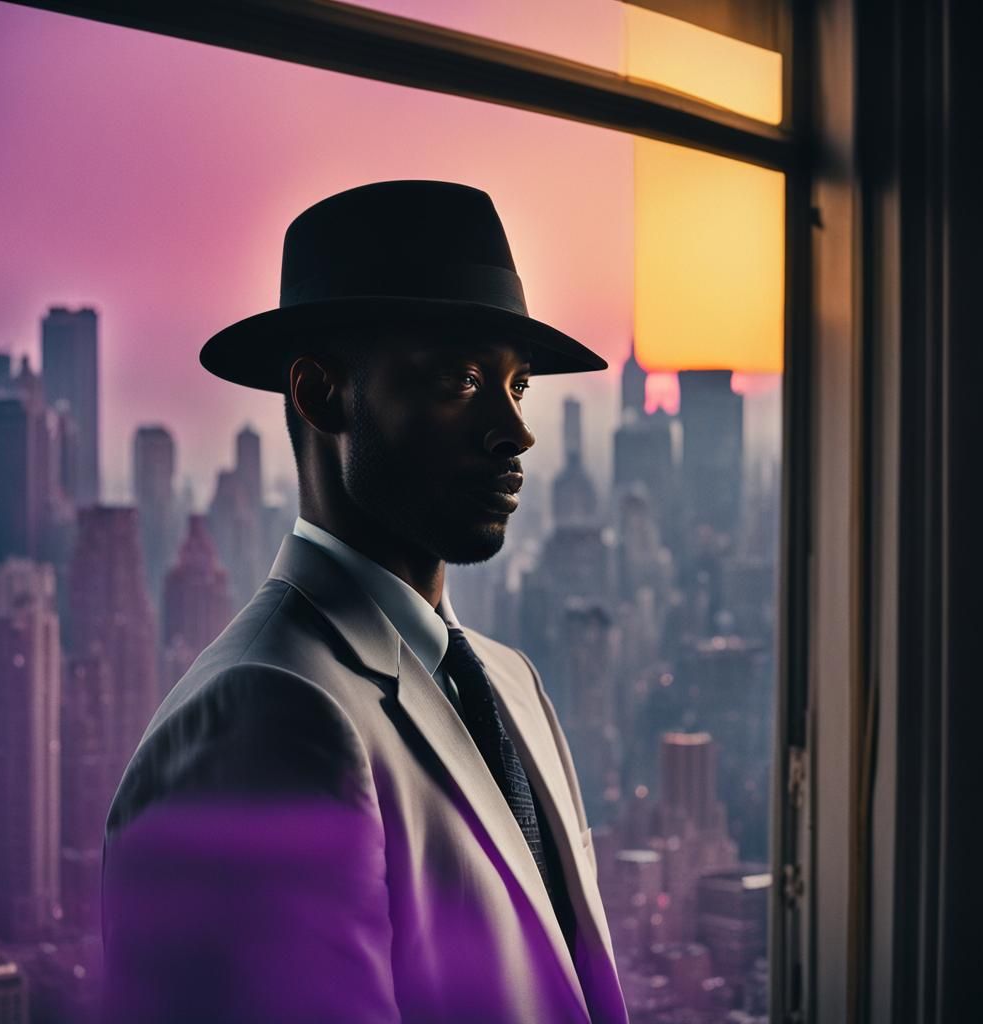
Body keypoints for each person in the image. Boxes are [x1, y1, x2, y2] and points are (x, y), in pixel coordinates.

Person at [100, 180, 629, 1024]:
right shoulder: (264, 716)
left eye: (517, 386)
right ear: (320, 394)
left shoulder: (513, 684)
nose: (514, 429)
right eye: (461, 378)